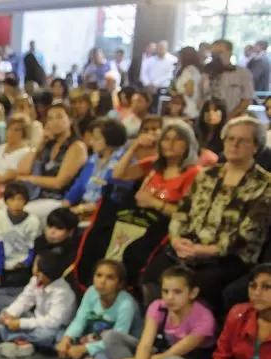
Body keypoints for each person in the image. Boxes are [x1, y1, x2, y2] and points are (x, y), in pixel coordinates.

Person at [141, 117, 271, 312]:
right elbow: (182, 213)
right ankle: (159, 329)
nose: (234, 145)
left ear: (255, 147)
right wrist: (176, 239)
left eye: (242, 140)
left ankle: (194, 336)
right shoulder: (206, 175)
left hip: (228, 255)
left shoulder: (265, 184)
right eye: (230, 139)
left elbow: (248, 234)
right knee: (153, 273)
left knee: (197, 285)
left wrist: (204, 250)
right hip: (188, 246)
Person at [94, 266, 216, 359]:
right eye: (165, 291)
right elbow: (145, 344)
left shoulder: (204, 319)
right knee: (111, 336)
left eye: (177, 292)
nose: (169, 297)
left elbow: (170, 354)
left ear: (193, 293)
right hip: (156, 355)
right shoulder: (158, 307)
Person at [56, 259, 139, 359]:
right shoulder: (91, 292)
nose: (102, 281)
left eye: (110, 278)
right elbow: (80, 319)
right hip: (94, 337)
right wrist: (67, 339)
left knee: (103, 356)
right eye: (99, 275)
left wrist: (85, 348)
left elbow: (116, 340)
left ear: (120, 284)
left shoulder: (126, 304)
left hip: (119, 346)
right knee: (60, 336)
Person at [112, 120, 201, 217]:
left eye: (178, 139)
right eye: (166, 139)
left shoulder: (194, 172)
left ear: (188, 145)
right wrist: (134, 147)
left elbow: (189, 214)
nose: (170, 144)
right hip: (141, 222)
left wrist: (153, 202)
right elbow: (118, 174)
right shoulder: (153, 163)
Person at [0, 251, 77, 358]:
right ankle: (23, 343)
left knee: (46, 335)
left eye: (35, 265)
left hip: (54, 327)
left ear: (42, 273)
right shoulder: (36, 280)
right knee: (7, 312)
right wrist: (10, 314)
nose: (33, 268)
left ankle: (14, 337)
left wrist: (21, 323)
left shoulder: (62, 292)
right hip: (36, 319)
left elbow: (52, 322)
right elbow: (24, 299)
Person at [16, 103, 89, 220]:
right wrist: (39, 145)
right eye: (50, 118)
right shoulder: (49, 144)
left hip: (61, 200)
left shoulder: (76, 146)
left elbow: (59, 183)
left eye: (59, 117)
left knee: (21, 213)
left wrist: (30, 179)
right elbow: (21, 170)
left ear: (70, 120)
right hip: (39, 197)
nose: (54, 121)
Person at [0, 182, 42, 311]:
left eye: (20, 199)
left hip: (23, 267)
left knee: (18, 289)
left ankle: (16, 306)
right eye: (12, 199)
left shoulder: (33, 221)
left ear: (26, 201)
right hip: (5, 266)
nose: (16, 203)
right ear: (6, 201)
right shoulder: (0, 216)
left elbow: (33, 249)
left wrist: (25, 263)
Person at [63, 117, 130, 220]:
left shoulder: (124, 162)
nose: (91, 142)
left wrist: (82, 209)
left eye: (96, 139)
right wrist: (65, 204)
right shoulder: (93, 158)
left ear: (111, 139)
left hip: (105, 214)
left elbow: (116, 197)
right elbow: (79, 185)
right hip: (82, 207)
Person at [203, 40, 255, 118]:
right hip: (209, 120)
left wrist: (229, 117)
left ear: (230, 53)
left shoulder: (242, 74)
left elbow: (246, 100)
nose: (216, 56)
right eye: (214, 53)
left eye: (219, 52)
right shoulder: (205, 73)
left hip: (233, 118)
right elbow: (199, 98)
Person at [0, 116, 33, 187]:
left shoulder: (26, 152)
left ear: (24, 133)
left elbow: (7, 177)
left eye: (16, 130)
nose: (10, 132)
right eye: (8, 129)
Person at [174, 46, 203, 118]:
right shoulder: (195, 70)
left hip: (187, 108)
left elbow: (189, 91)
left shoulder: (188, 71)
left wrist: (176, 93)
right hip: (193, 107)